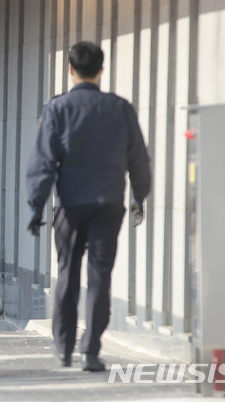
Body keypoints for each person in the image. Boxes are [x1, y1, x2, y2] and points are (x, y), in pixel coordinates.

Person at [26, 41, 152, 372]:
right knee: (100, 275)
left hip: (69, 204)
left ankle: (64, 346)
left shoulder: (57, 109)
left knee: (68, 271)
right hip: (109, 203)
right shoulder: (120, 107)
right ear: (101, 70)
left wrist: (36, 206)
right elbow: (138, 156)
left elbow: (43, 161)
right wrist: (140, 196)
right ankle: (91, 351)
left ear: (70, 70)